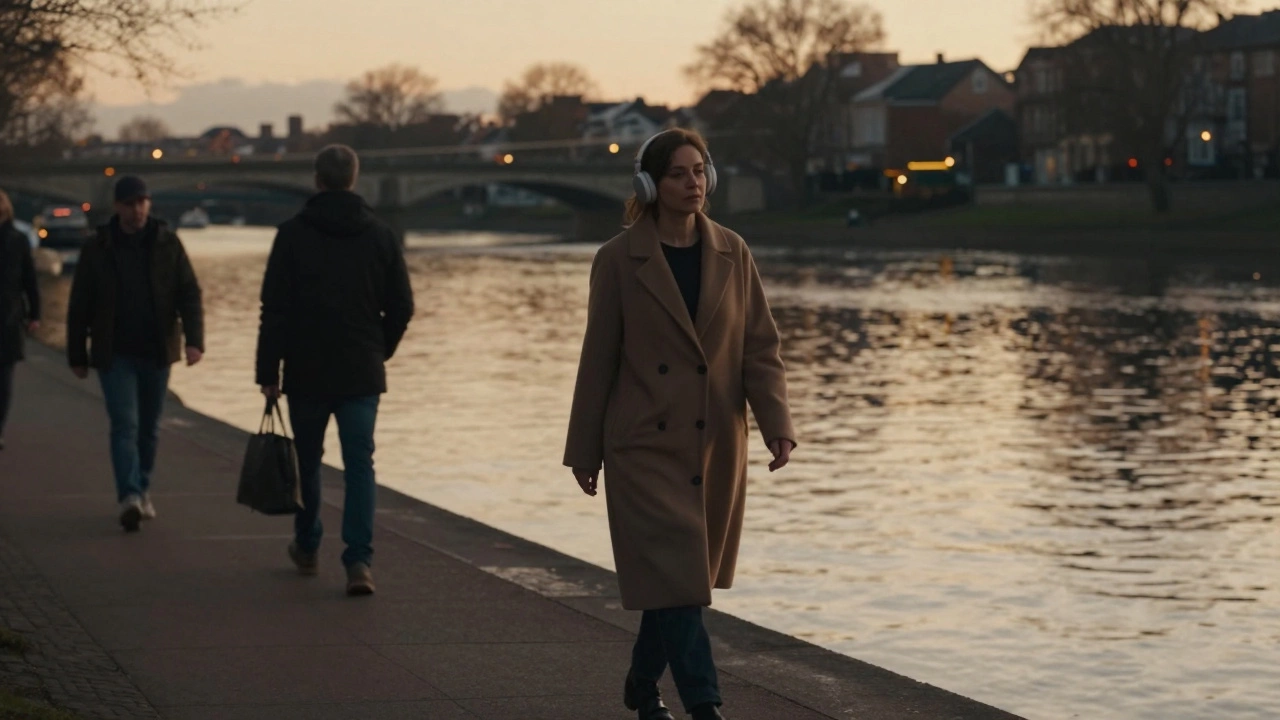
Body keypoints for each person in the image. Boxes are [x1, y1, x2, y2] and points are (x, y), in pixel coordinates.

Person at [563, 129, 797, 720]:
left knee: (675, 582)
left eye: (700, 171)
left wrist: (776, 424)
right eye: (678, 174)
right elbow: (599, 358)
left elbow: (759, 347)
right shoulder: (618, 260)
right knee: (680, 584)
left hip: (714, 441)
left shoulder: (732, 251)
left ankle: (642, 687)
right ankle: (705, 705)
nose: (693, 183)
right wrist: (584, 451)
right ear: (649, 185)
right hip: (642, 445)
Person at [255, 144, 414, 597]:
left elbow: (275, 310)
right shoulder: (381, 235)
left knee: (307, 461)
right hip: (361, 369)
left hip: (306, 368)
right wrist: (379, 349)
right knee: (360, 464)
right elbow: (402, 305)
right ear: (354, 179)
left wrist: (268, 371)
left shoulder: (291, 235)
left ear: (317, 180)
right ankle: (359, 561)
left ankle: (307, 547)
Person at [66, 176, 204, 531]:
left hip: (157, 349)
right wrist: (77, 354)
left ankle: (142, 488)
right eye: (130, 203)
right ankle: (129, 495)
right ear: (117, 207)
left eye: (142, 201)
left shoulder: (168, 244)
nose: (138, 209)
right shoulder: (97, 247)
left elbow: (189, 293)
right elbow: (80, 303)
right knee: (125, 424)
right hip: (115, 353)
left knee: (149, 428)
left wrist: (194, 340)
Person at [0, 189, 41, 450]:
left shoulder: (17, 240)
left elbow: (29, 280)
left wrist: (35, 313)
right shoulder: (18, 239)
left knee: (3, 380)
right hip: (9, 315)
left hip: (7, 318)